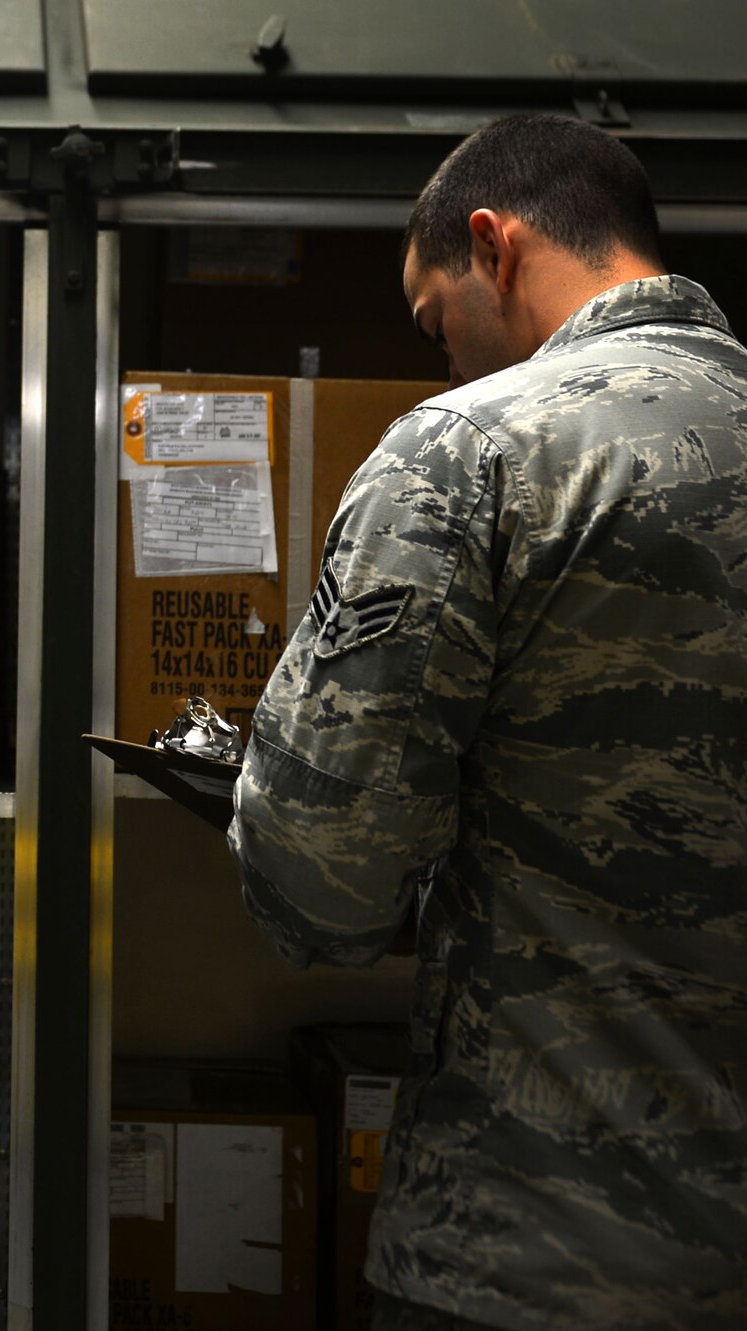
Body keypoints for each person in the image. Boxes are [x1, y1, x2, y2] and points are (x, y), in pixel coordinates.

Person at [228, 113, 747, 1331]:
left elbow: (322, 874)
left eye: (431, 320)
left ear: (490, 243)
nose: (440, 362)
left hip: (533, 1248)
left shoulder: (473, 448)